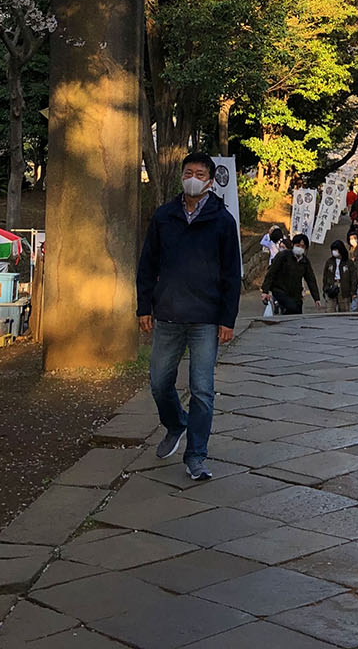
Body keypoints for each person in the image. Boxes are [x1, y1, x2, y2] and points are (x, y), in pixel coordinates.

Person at [136, 151, 243, 483]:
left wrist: (228, 320)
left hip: (206, 319)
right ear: (181, 176)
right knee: (159, 383)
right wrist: (144, 307)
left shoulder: (222, 221)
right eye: (188, 172)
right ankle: (176, 423)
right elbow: (147, 265)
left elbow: (231, 274)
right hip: (167, 315)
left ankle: (196, 454)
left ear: (210, 181)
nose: (193, 177)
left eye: (199, 173)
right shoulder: (164, 216)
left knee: (203, 390)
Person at [262, 232, 323, 315]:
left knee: (297, 312)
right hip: (280, 290)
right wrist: (265, 291)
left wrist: (316, 298)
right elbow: (271, 272)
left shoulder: (305, 262)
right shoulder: (283, 256)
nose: (300, 248)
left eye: (303, 246)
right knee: (291, 308)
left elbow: (310, 279)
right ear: (293, 245)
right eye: (298, 245)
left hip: (296, 293)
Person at [322, 239, 357, 312]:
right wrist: (325, 289)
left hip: (344, 287)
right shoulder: (329, 262)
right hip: (331, 286)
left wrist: (353, 291)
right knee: (330, 309)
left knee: (344, 310)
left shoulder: (348, 263)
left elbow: (353, 277)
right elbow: (325, 276)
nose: (334, 252)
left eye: (336, 250)